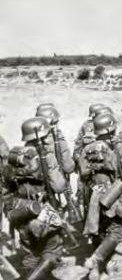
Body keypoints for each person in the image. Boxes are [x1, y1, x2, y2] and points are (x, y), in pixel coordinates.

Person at [4, 117, 66, 279]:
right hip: (41, 210)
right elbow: (58, 186)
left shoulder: (14, 157)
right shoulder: (45, 156)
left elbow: (7, 188)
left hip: (20, 210)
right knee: (52, 251)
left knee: (31, 254)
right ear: (43, 135)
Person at [79, 113, 122, 279]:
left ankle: (99, 270)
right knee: (117, 232)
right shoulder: (117, 146)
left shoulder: (87, 149)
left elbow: (83, 174)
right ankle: (96, 260)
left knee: (101, 232)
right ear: (112, 127)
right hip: (114, 194)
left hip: (94, 194)